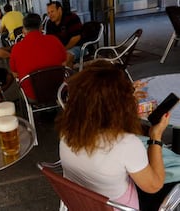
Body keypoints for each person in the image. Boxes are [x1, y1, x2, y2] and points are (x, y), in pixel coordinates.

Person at [55, 60, 169, 209]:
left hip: (80, 202)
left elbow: (97, 104)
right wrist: (156, 137)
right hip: (117, 206)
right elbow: (153, 186)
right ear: (120, 106)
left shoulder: (67, 129)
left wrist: (123, 94)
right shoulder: (126, 144)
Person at [10, 13, 66, 101]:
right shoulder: (54, 40)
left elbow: (15, 74)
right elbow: (64, 63)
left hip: (33, 95)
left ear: (24, 30)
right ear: (41, 27)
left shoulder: (16, 48)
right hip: (58, 91)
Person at [46, 1, 82, 67]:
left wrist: (63, 50)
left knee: (65, 59)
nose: (50, 15)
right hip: (60, 49)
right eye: (48, 13)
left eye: (52, 11)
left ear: (59, 10)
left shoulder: (72, 18)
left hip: (77, 46)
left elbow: (76, 38)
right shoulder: (49, 23)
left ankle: (68, 76)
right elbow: (49, 40)